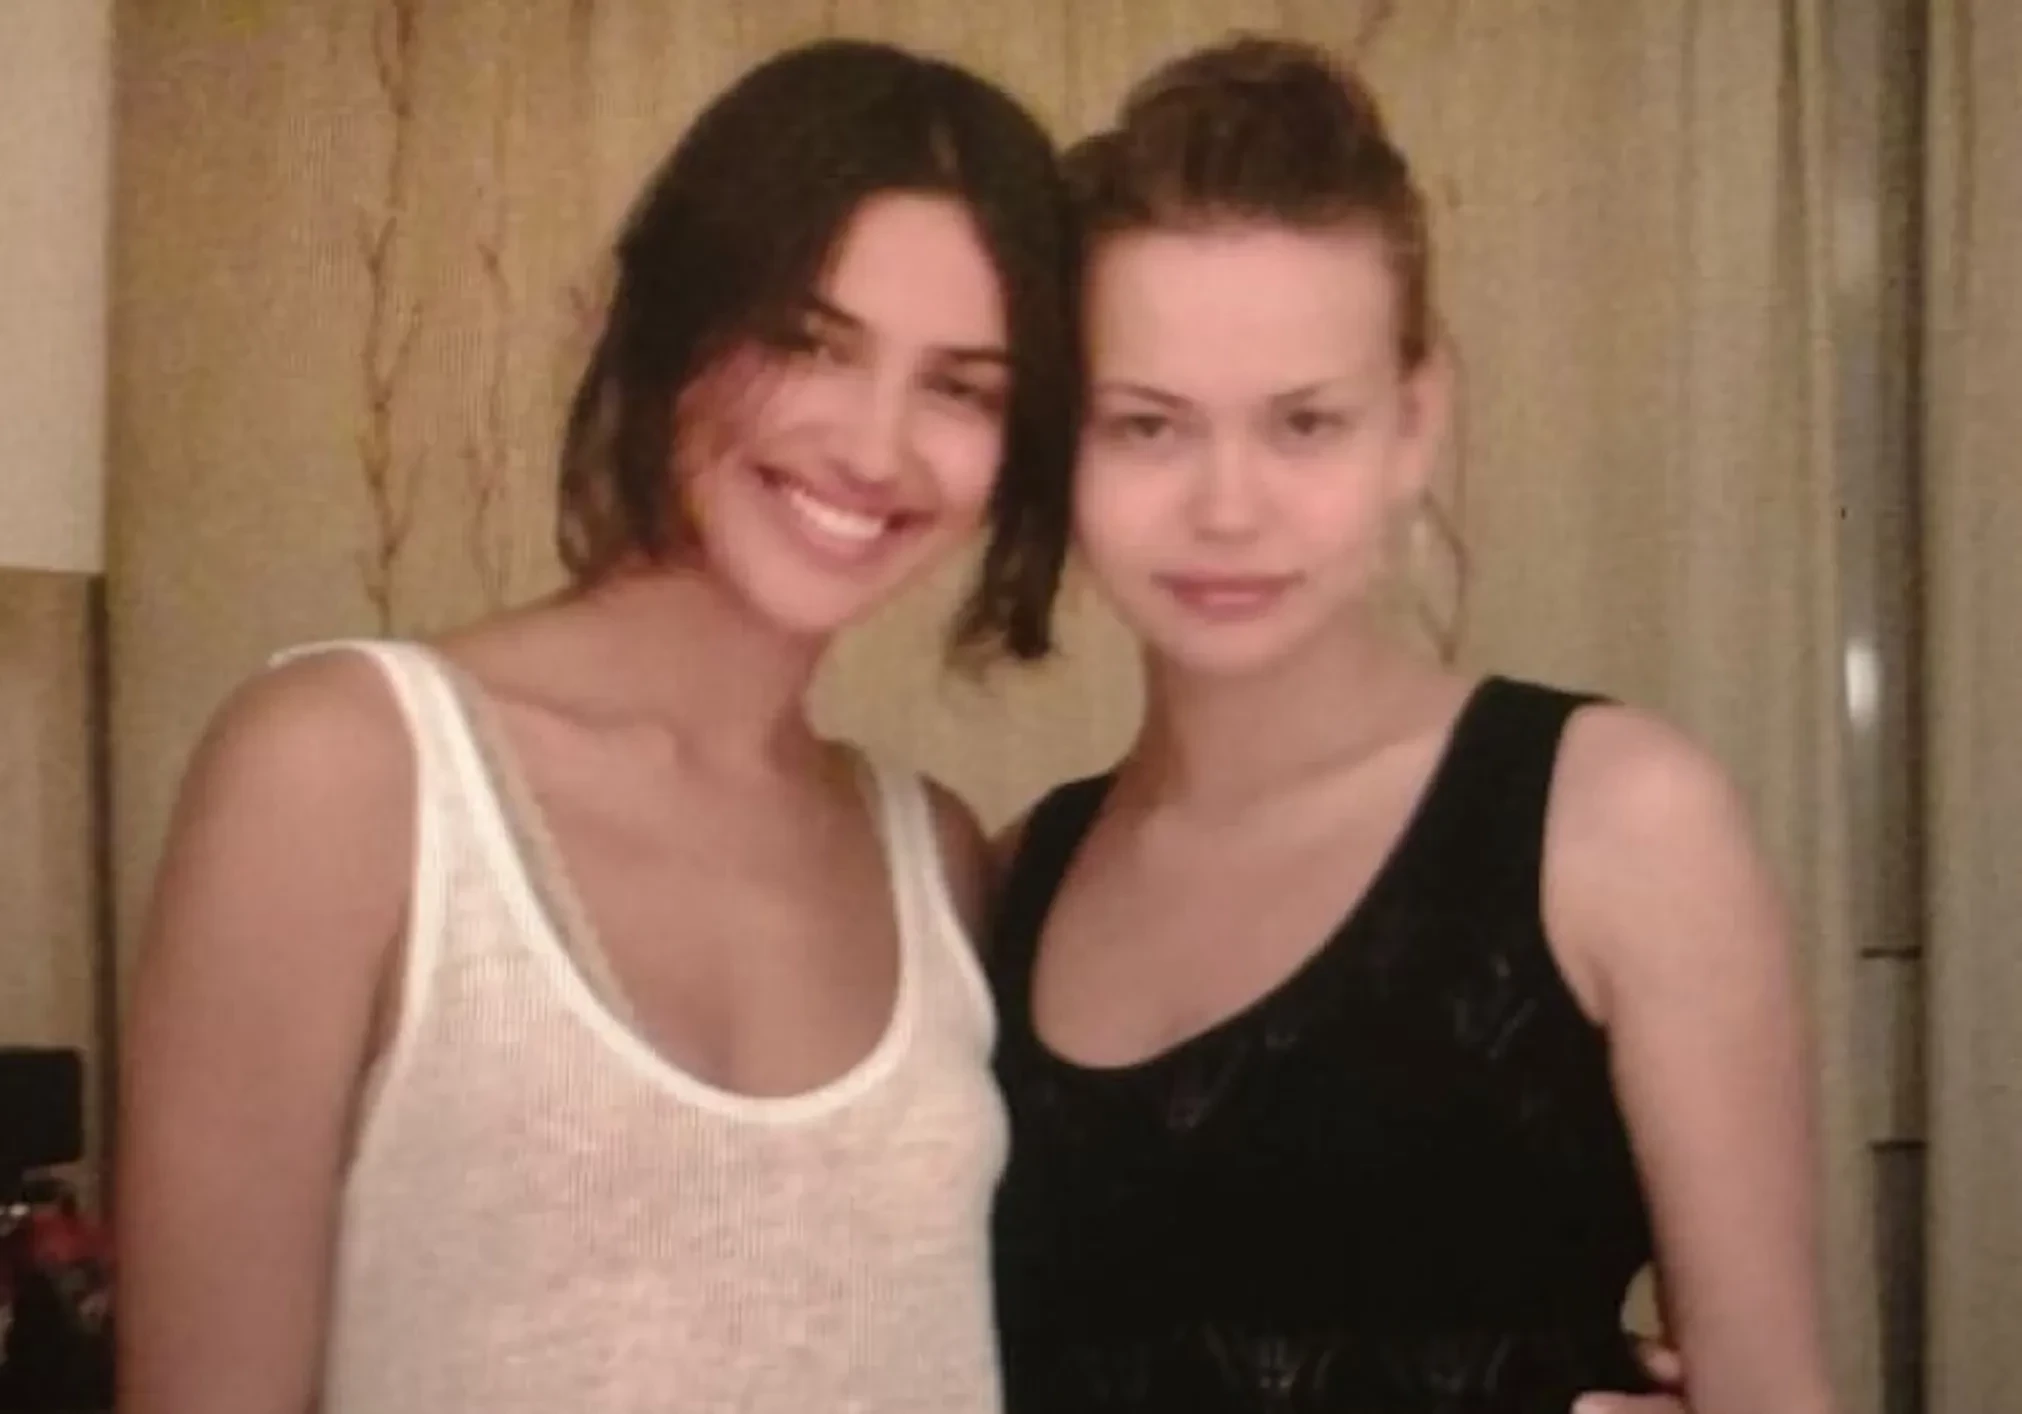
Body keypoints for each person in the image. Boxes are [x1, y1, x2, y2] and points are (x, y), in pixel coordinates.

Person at [115, 39, 1079, 1414]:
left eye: (962, 387)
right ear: (668, 325)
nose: (875, 447)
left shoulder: (937, 856)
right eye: (809, 342)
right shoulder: (343, 776)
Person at [988, 36, 1836, 1414]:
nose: (1227, 506)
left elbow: (1775, 1392)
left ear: (1412, 421)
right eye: (1146, 426)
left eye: (1304, 424)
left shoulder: (1614, 823)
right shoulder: (1016, 874)